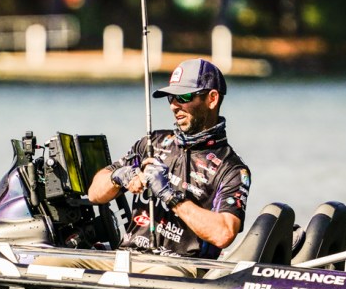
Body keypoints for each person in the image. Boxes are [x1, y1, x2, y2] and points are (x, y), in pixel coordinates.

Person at [82, 58, 251, 276]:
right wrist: (120, 176)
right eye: (171, 98)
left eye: (184, 97)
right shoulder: (152, 143)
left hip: (181, 267)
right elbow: (94, 194)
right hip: (127, 256)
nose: (174, 106)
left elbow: (223, 233)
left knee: (158, 275)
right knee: (50, 261)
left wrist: (169, 195)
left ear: (212, 98)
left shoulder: (233, 169)